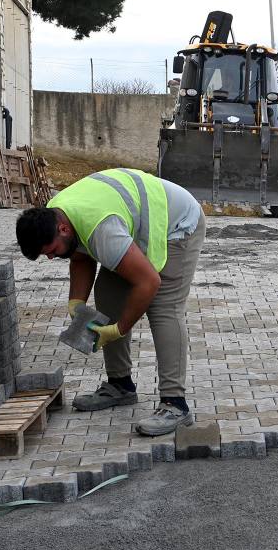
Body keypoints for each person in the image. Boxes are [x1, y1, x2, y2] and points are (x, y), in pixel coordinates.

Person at [16, 168, 205, 436]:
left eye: (52, 251)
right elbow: (80, 256)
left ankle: (175, 404)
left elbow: (148, 282)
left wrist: (118, 328)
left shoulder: (101, 229)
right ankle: (121, 385)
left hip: (177, 225)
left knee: (163, 308)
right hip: (134, 223)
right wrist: (76, 303)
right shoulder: (56, 214)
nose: (50, 258)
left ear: (63, 228)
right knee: (108, 293)